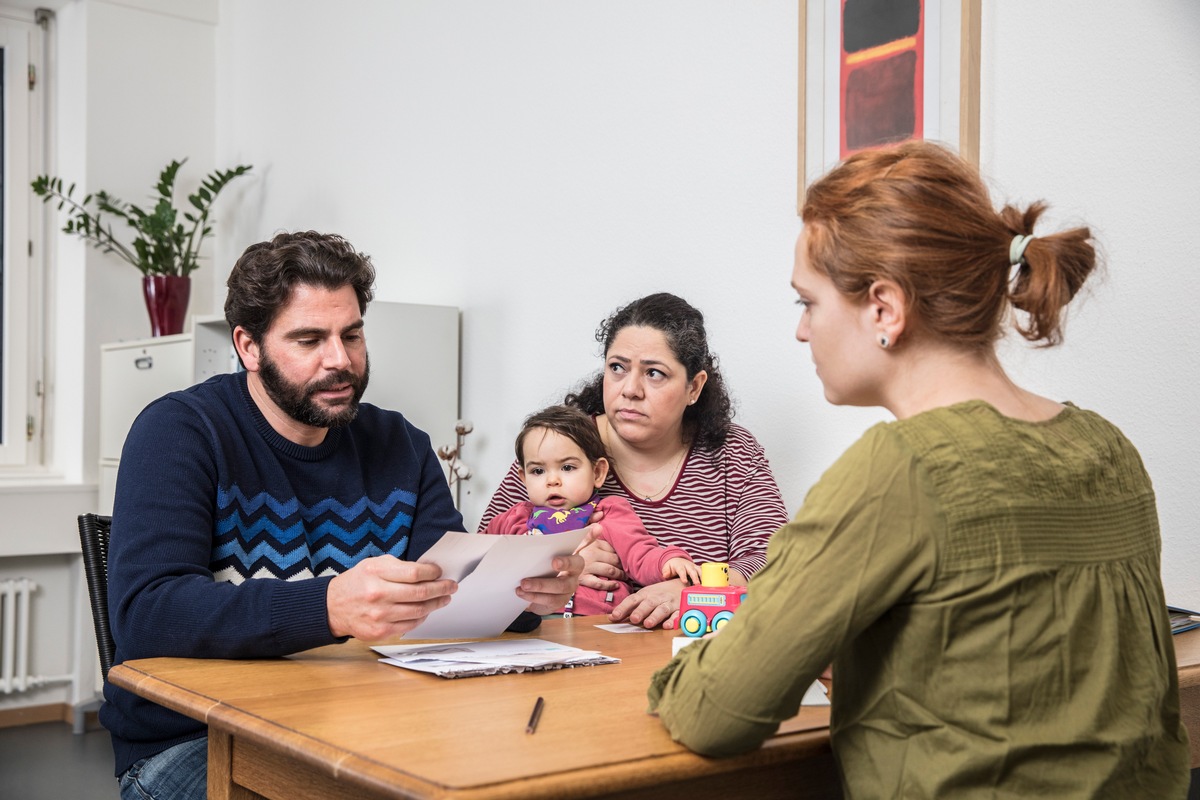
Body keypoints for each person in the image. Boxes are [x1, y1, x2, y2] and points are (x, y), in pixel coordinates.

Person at [647, 141, 1190, 797]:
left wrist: (686, 670)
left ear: (884, 308)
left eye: (807, 303)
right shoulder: (1110, 449)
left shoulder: (902, 467)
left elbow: (715, 712)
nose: (801, 331)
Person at [102, 231, 584, 800]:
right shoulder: (180, 432)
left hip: (363, 723)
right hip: (195, 738)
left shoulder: (401, 443)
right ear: (247, 346)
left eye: (351, 334)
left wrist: (525, 595)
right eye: (309, 339)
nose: (340, 360)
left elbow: (448, 594)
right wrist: (330, 606)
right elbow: (147, 614)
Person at [478, 292, 788, 628]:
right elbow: (479, 558)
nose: (630, 390)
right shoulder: (559, 448)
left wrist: (693, 591)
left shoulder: (733, 452)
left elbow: (777, 560)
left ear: (694, 387)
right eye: (617, 368)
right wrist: (553, 565)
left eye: (654, 373)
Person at [485, 404, 701, 615]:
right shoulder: (512, 520)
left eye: (567, 467)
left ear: (597, 472)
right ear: (523, 478)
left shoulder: (610, 514)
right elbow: (476, 566)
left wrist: (670, 561)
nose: (552, 480)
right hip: (531, 625)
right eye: (538, 471)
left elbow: (641, 555)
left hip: (598, 623)